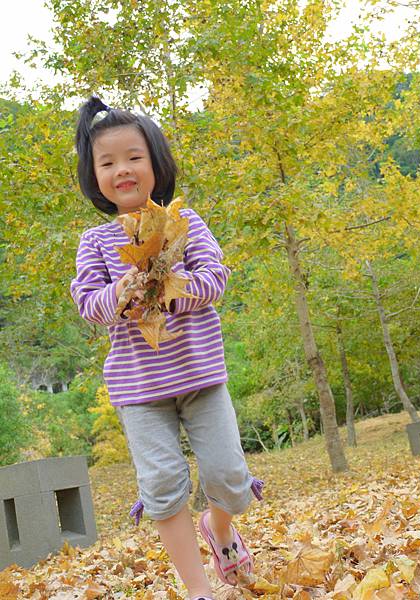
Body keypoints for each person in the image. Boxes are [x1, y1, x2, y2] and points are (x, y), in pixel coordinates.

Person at [70, 96, 263, 600]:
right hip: (139, 389)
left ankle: (219, 528)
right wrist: (124, 290)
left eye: (133, 156)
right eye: (107, 162)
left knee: (229, 476)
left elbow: (214, 279)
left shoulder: (186, 221)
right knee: (161, 483)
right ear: (95, 177)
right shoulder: (95, 242)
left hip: (200, 375)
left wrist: (170, 288)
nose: (122, 169)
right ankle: (198, 589)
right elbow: (90, 305)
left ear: (156, 162)